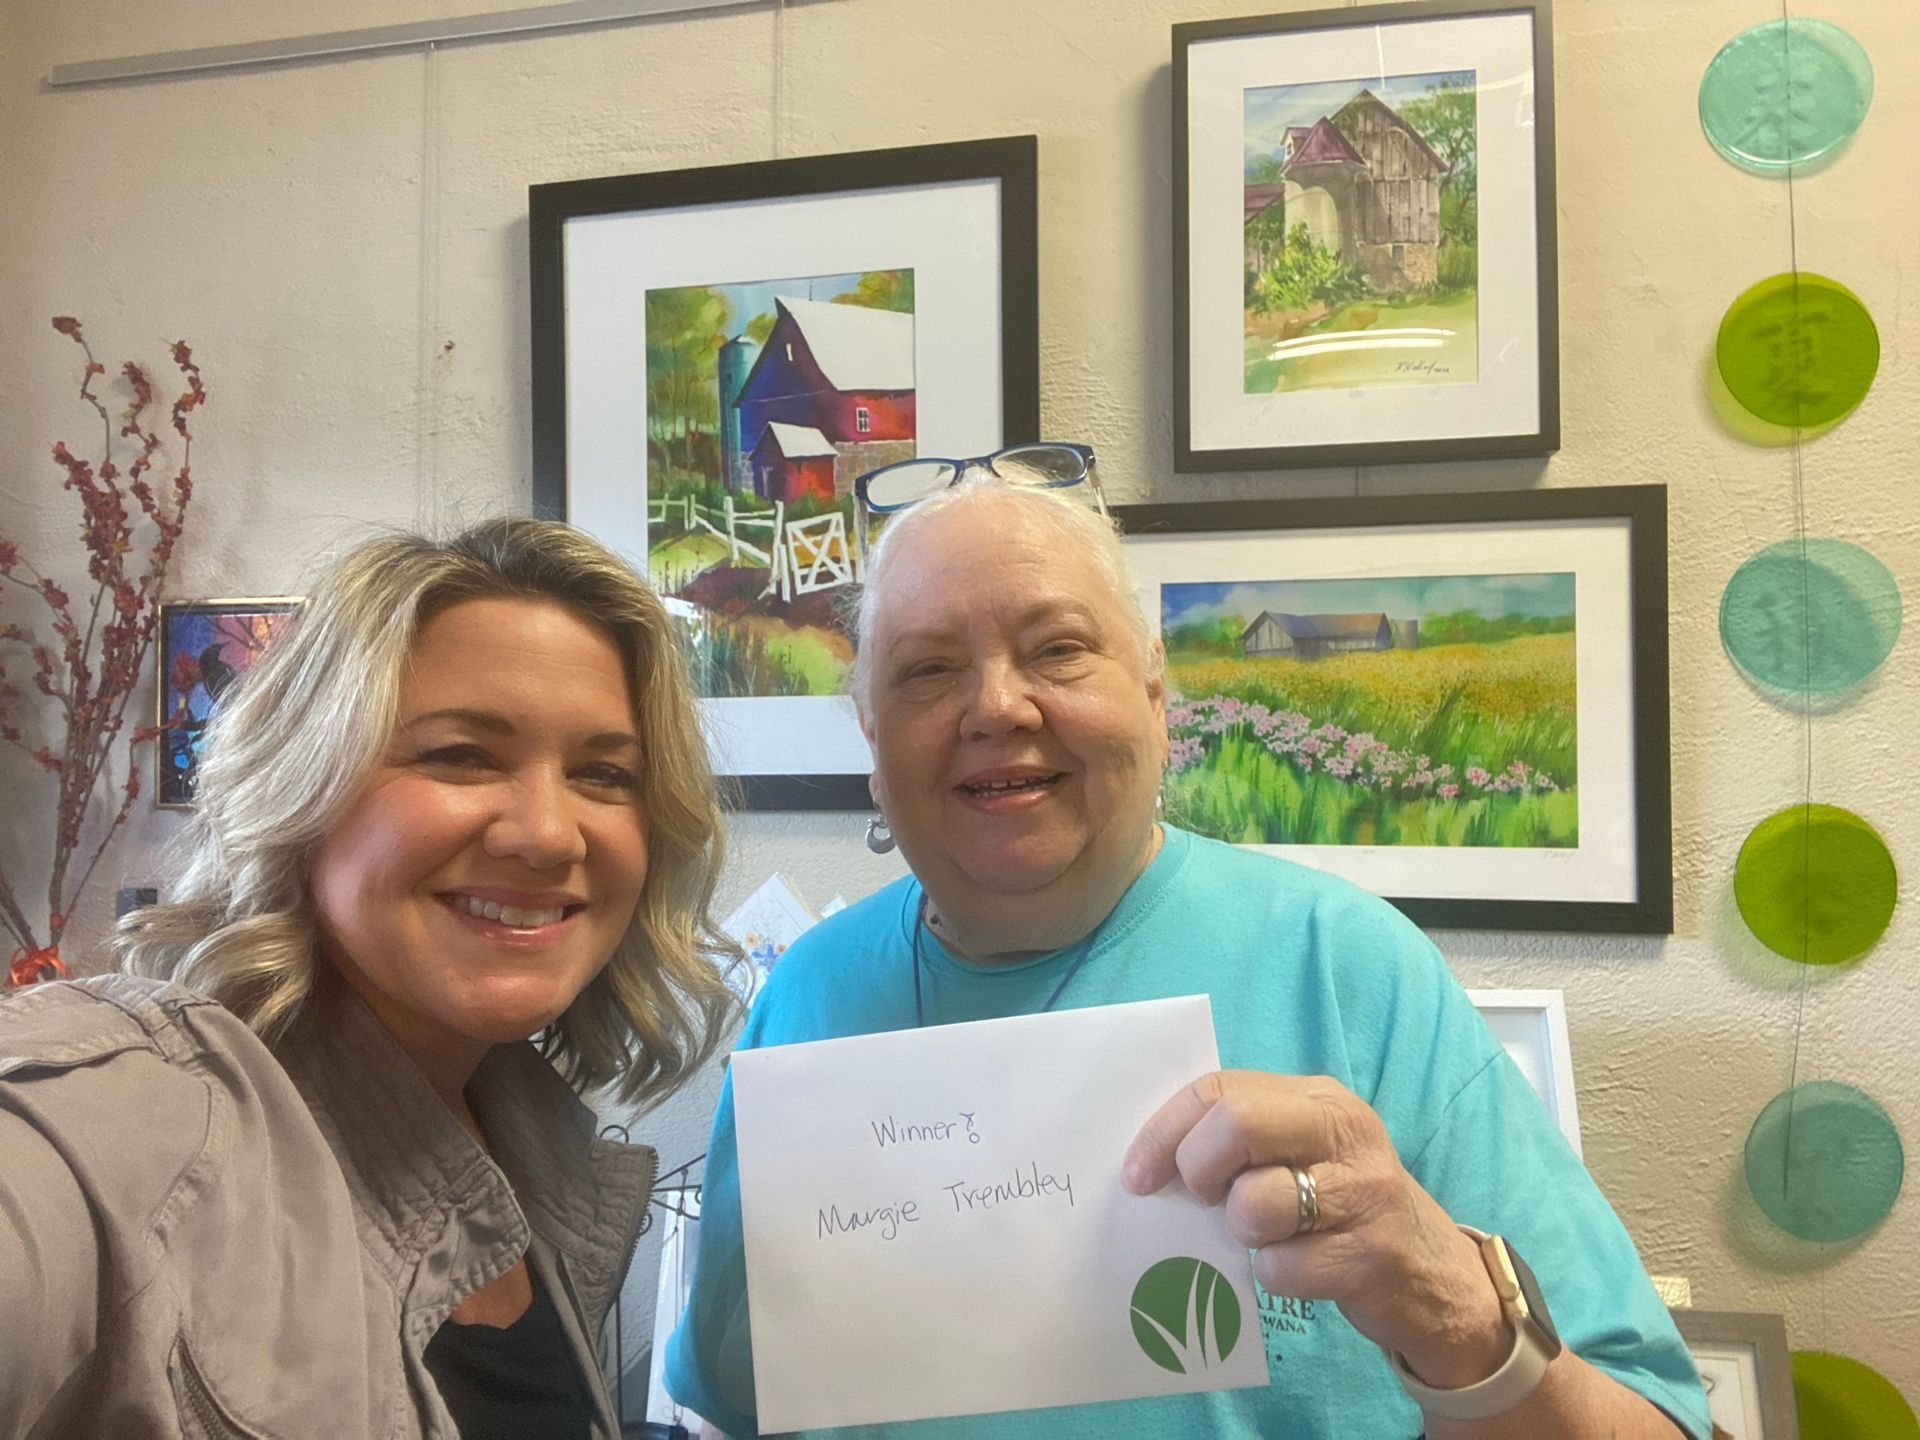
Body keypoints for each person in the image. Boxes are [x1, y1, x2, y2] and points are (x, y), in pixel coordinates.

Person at [665, 454, 1711, 1439]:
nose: (995, 705)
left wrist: (1445, 1303)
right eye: (929, 671)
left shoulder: (1345, 967)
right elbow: (735, 1400)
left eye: (1058, 650)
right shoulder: (803, 999)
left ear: (1157, 704)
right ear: (871, 741)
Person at [0, 517, 741, 1439]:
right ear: (305, 789)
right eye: (460, 755)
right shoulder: (138, 1116)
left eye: (603, 773)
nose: (549, 834)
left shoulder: (535, 1150)